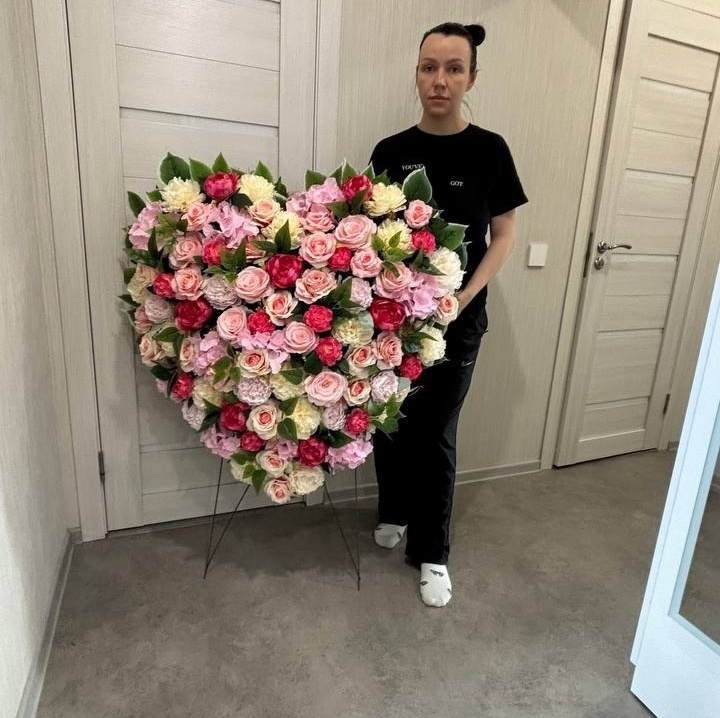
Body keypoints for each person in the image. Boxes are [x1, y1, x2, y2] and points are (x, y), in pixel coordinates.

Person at [369, 22, 528, 607]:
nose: (440, 80)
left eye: (454, 68)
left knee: (435, 431)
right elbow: (366, 231)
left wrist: (463, 297)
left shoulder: (490, 150)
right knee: (389, 419)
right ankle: (393, 510)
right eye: (429, 67)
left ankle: (431, 552)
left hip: (458, 323)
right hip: (392, 321)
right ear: (417, 74)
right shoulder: (390, 151)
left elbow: (504, 234)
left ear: (471, 79)